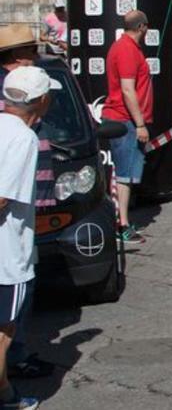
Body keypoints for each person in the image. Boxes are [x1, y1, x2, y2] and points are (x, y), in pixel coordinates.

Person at [0, 67, 60, 410]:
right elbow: (3, 197)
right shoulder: (23, 138)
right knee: (4, 331)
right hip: (7, 253)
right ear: (41, 101)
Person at [101, 10, 154, 244]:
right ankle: (121, 224)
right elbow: (127, 89)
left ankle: (122, 221)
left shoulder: (126, 47)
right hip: (124, 120)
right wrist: (140, 123)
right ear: (143, 27)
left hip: (125, 118)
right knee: (124, 176)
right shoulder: (126, 50)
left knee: (126, 175)